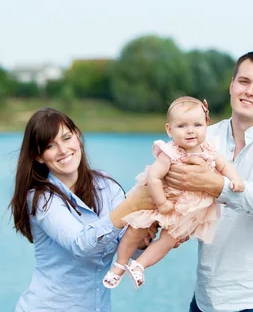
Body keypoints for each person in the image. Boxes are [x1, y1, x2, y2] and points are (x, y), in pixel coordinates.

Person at [164, 51, 253, 312]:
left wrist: (214, 185)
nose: (249, 91)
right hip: (204, 300)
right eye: (244, 81)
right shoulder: (203, 135)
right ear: (232, 85)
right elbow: (163, 183)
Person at [9, 108, 157, 312]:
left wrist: (144, 238)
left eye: (67, 138)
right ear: (39, 156)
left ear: (77, 136)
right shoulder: (41, 199)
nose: (63, 150)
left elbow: (127, 244)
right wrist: (131, 205)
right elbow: (81, 245)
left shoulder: (106, 185)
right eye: (50, 146)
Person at [102, 97, 245, 290]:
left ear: (206, 125)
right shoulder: (170, 152)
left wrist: (234, 180)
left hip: (187, 208)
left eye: (197, 124)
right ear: (170, 130)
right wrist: (161, 203)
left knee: (169, 240)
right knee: (136, 229)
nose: (190, 130)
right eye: (182, 126)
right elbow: (154, 176)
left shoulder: (209, 150)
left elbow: (225, 165)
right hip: (161, 198)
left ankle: (139, 265)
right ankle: (120, 264)